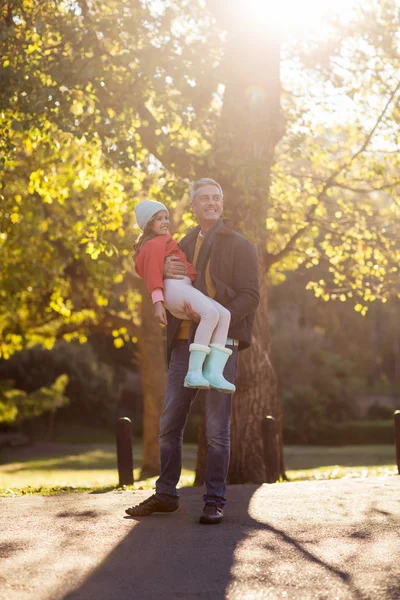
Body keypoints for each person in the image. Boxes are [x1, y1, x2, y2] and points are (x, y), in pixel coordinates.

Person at [126, 178, 259, 524]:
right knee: (169, 423)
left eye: (216, 197)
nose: (211, 203)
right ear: (194, 205)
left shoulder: (241, 245)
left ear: (222, 203)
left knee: (216, 430)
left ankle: (214, 499)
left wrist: (217, 317)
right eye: (204, 198)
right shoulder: (178, 241)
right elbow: (155, 270)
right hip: (183, 343)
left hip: (220, 342)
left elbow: (251, 296)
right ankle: (166, 495)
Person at [133, 199, 235, 393]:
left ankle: (214, 372)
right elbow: (152, 273)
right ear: (148, 225)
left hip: (184, 288)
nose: (164, 221)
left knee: (224, 315)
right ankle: (194, 372)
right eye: (158, 219)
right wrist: (158, 303)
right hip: (174, 289)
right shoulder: (154, 244)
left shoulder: (165, 241)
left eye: (166, 217)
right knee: (210, 314)